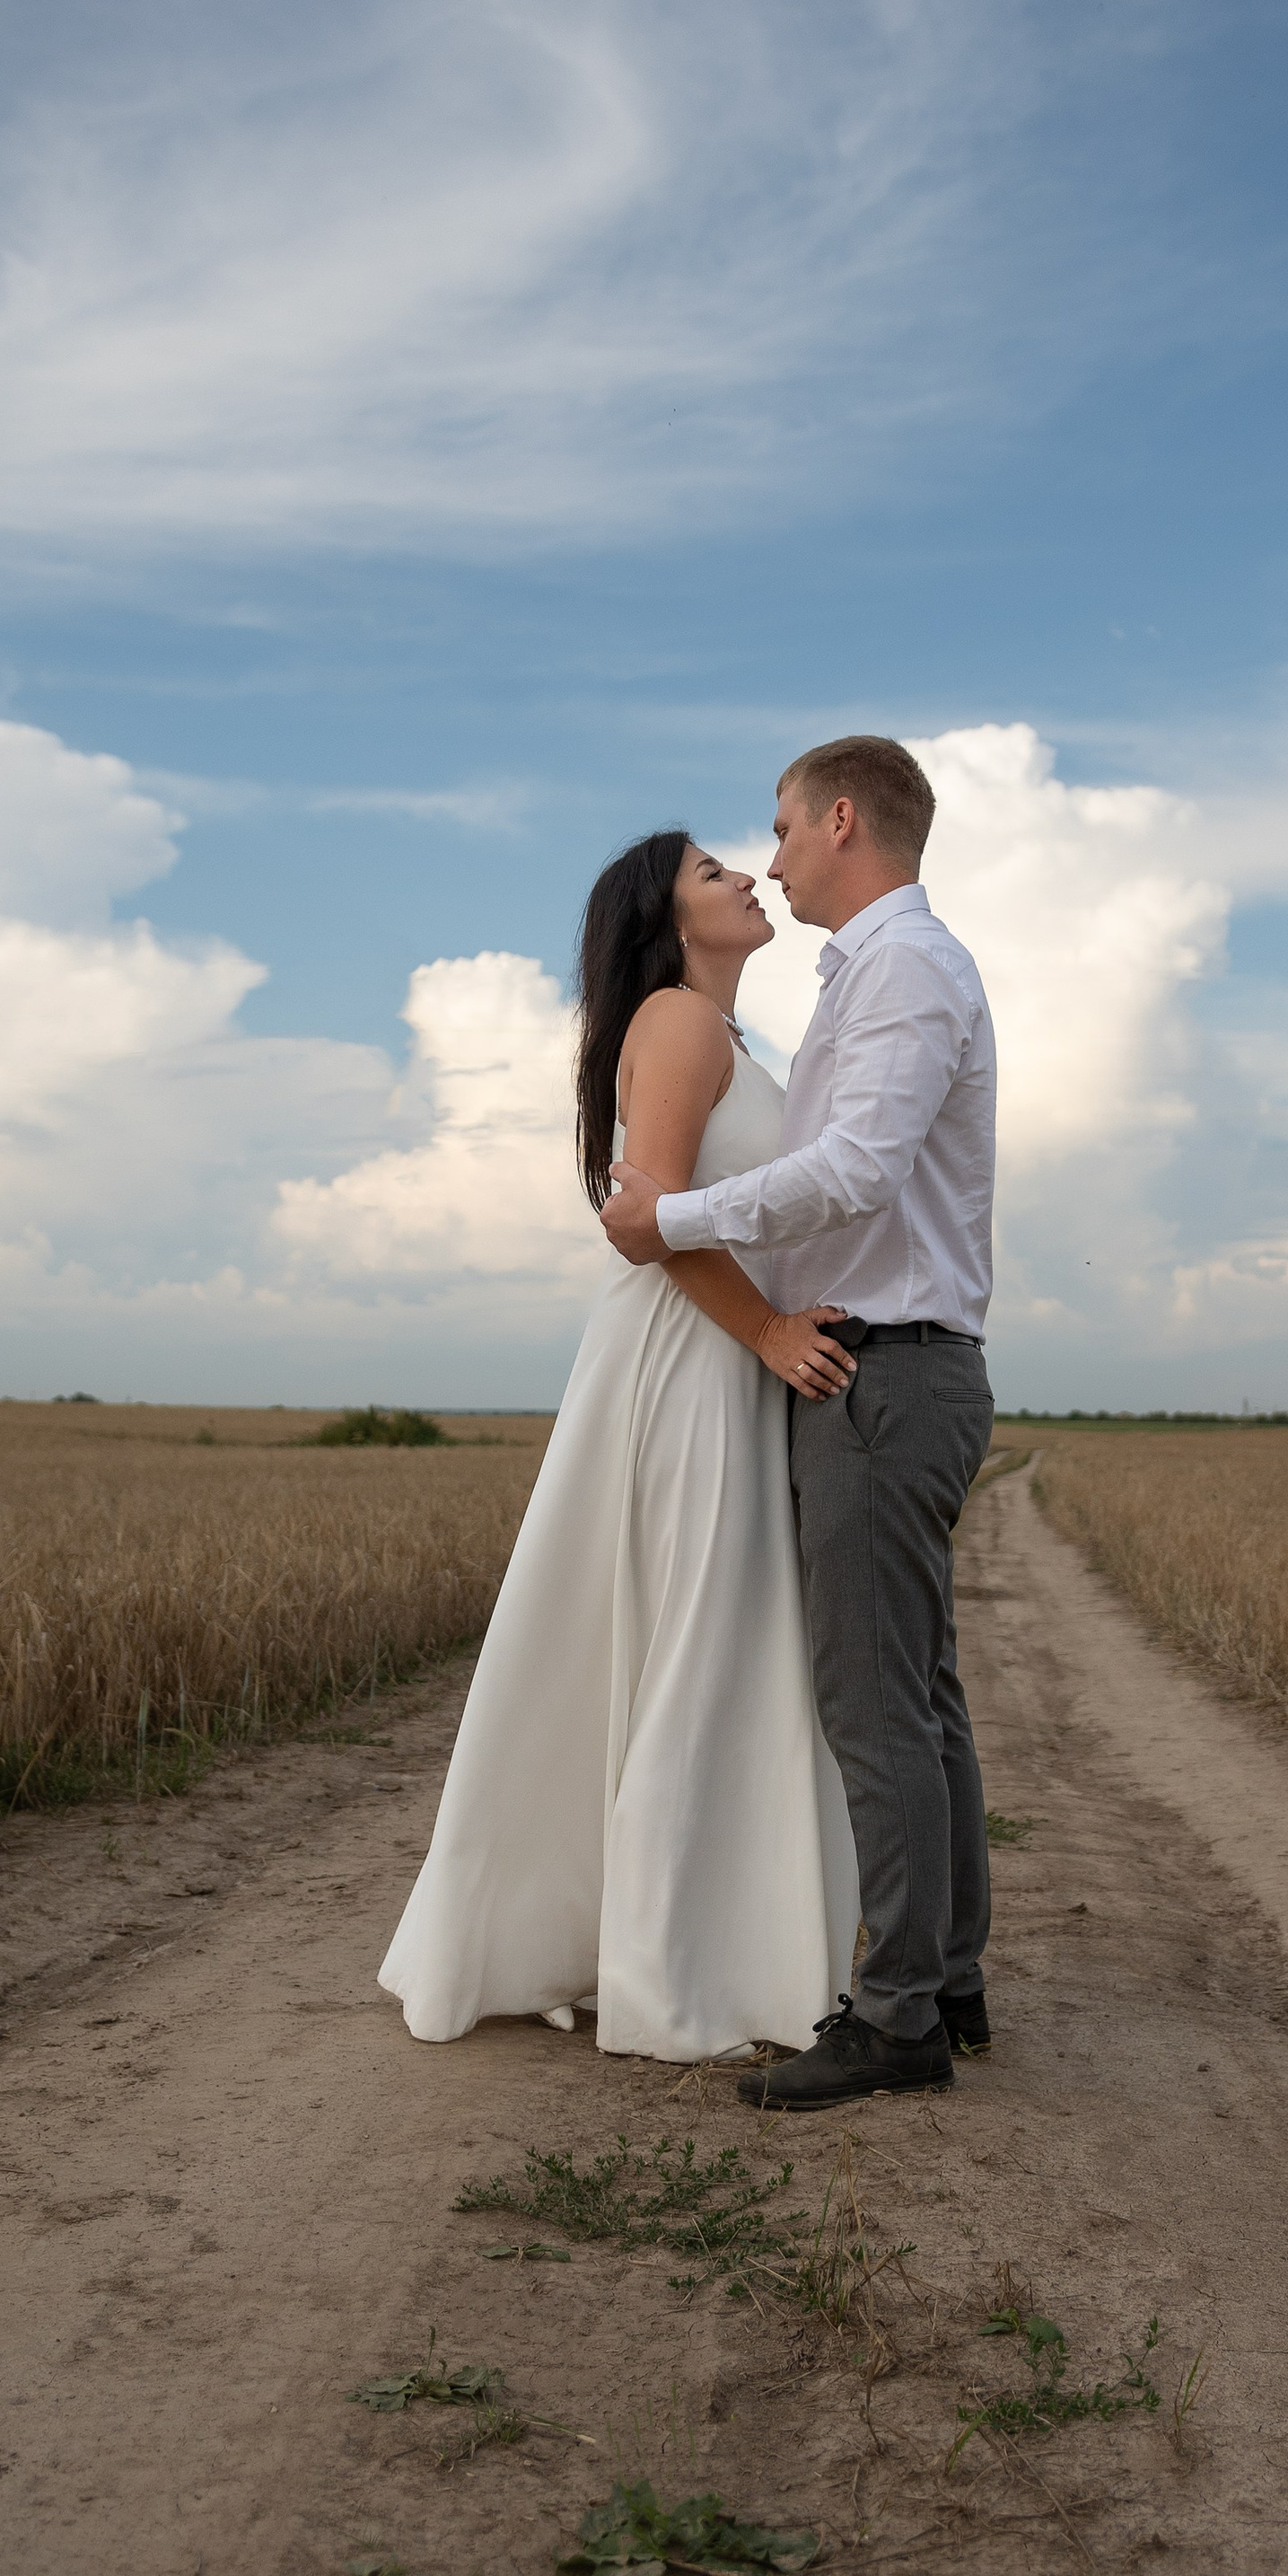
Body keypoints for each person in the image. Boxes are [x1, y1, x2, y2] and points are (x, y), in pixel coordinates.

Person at [378, 831, 861, 2062]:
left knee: (697, 1636)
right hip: (693, 1361)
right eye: (711, 872)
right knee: (700, 1638)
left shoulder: (727, 1039)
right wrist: (763, 1332)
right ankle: (675, 1967)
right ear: (665, 916)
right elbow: (641, 1217)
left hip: (718, 1359)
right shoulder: (681, 1023)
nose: (748, 875)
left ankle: (692, 1940)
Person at [601, 736, 997, 2109]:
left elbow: (856, 1170)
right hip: (882, 1362)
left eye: (778, 830)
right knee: (918, 1694)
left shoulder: (902, 968)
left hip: (878, 1375)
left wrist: (668, 1223)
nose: (769, 860)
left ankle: (900, 2019)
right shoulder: (869, 976)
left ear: (843, 821)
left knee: (876, 1705)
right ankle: (943, 1980)